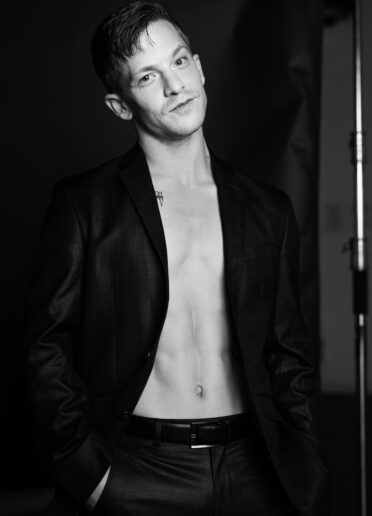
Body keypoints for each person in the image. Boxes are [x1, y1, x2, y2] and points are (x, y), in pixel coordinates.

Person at [25, 2, 328, 515]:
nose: (175, 86)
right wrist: (88, 475)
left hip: (255, 469)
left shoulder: (266, 209)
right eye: (148, 76)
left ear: (200, 68)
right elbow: (45, 347)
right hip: (137, 472)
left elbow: (288, 353)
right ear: (121, 106)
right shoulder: (84, 205)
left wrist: (306, 458)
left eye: (180, 61)